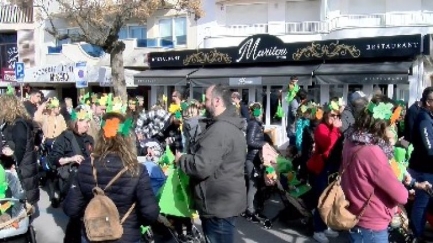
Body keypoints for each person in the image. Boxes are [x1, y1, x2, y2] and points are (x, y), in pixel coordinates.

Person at [63, 112, 160, 243]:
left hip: (93, 234)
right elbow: (150, 213)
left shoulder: (86, 165)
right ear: (126, 138)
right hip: (126, 235)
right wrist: (133, 220)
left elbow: (71, 208)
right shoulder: (136, 169)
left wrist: (92, 214)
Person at [175, 84, 247, 243]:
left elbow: (201, 166)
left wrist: (182, 159)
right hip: (223, 202)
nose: (203, 104)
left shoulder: (220, 130)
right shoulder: (226, 125)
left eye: (206, 99)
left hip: (218, 205)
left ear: (217, 101)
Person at [341, 100, 409, 243]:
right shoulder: (373, 151)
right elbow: (401, 196)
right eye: (391, 123)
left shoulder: (351, 141)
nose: (393, 126)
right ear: (382, 124)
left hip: (355, 214)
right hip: (371, 224)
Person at [0, 93, 40, 216]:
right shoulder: (11, 122)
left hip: (22, 169)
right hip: (21, 168)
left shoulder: (18, 124)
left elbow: (20, 149)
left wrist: (12, 157)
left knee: (22, 206)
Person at [408, 87, 433, 242]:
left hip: (426, 168)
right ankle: (417, 234)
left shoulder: (428, 117)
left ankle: (419, 230)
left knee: (425, 202)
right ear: (429, 102)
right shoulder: (424, 119)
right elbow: (429, 147)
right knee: (421, 203)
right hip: (424, 169)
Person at [244, 102, 267, 222]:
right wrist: (264, 144)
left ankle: (253, 208)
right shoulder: (253, 124)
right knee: (252, 186)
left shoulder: (256, 124)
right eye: (261, 111)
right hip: (252, 159)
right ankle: (250, 210)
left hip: (255, 159)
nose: (262, 113)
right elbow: (250, 141)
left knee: (255, 185)